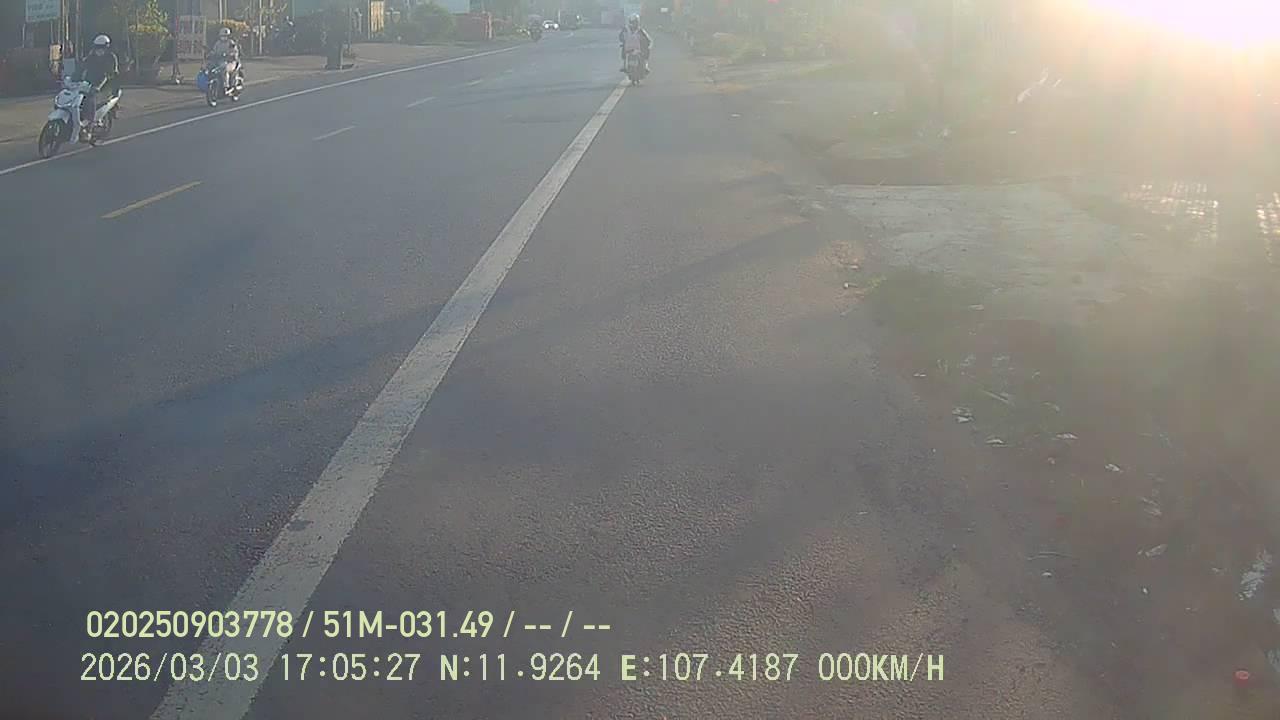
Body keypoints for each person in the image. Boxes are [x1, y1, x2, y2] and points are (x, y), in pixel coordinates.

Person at [79, 34, 118, 138]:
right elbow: (81, 68)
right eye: (97, 48)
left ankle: (89, 127)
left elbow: (108, 75)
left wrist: (98, 86)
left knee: (90, 100)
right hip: (90, 84)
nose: (99, 50)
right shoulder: (91, 57)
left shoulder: (111, 58)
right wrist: (72, 78)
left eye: (102, 48)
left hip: (107, 86)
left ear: (107, 48)